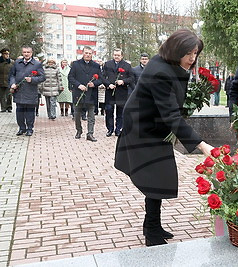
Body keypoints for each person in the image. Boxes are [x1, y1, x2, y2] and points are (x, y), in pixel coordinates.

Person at [114, 29, 213, 247]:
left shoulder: (169, 65)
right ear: (177, 51)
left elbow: (172, 106)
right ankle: (151, 232)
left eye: (196, 53)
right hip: (142, 129)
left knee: (158, 178)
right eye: (190, 53)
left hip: (154, 126)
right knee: (155, 178)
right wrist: (202, 145)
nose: (193, 59)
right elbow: (171, 114)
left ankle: (153, 225)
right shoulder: (160, 70)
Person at [68, 46, 103, 142]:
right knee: (77, 114)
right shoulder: (75, 64)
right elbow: (70, 77)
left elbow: (101, 79)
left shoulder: (96, 66)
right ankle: (79, 131)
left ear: (92, 54)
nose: (88, 55)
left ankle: (90, 133)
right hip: (78, 93)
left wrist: (94, 83)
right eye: (86, 53)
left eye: (90, 53)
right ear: (82, 53)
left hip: (91, 94)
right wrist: (78, 85)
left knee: (91, 115)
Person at [9, 46, 46, 136]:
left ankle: (30, 128)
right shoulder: (17, 63)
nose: (26, 54)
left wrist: (32, 80)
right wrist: (12, 83)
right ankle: (22, 128)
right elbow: (12, 75)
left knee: (30, 112)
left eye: (28, 52)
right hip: (19, 92)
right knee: (19, 112)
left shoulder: (37, 64)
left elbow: (43, 77)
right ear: (22, 53)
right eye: (24, 52)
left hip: (30, 92)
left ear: (31, 53)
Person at [103, 48, 134, 137]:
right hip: (110, 91)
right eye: (115, 55)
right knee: (109, 111)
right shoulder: (107, 64)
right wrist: (108, 84)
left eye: (118, 55)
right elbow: (103, 77)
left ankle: (118, 129)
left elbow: (131, 78)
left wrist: (123, 81)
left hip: (121, 92)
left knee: (120, 112)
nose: (116, 57)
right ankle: (110, 129)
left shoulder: (127, 65)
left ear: (122, 56)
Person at [0, 48, 14, 113]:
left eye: (8, 54)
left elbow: (14, 72)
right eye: (5, 54)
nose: (7, 55)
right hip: (1, 81)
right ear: (2, 54)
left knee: (9, 95)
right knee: (2, 95)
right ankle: (3, 108)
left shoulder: (11, 62)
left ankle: (9, 107)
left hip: (9, 81)